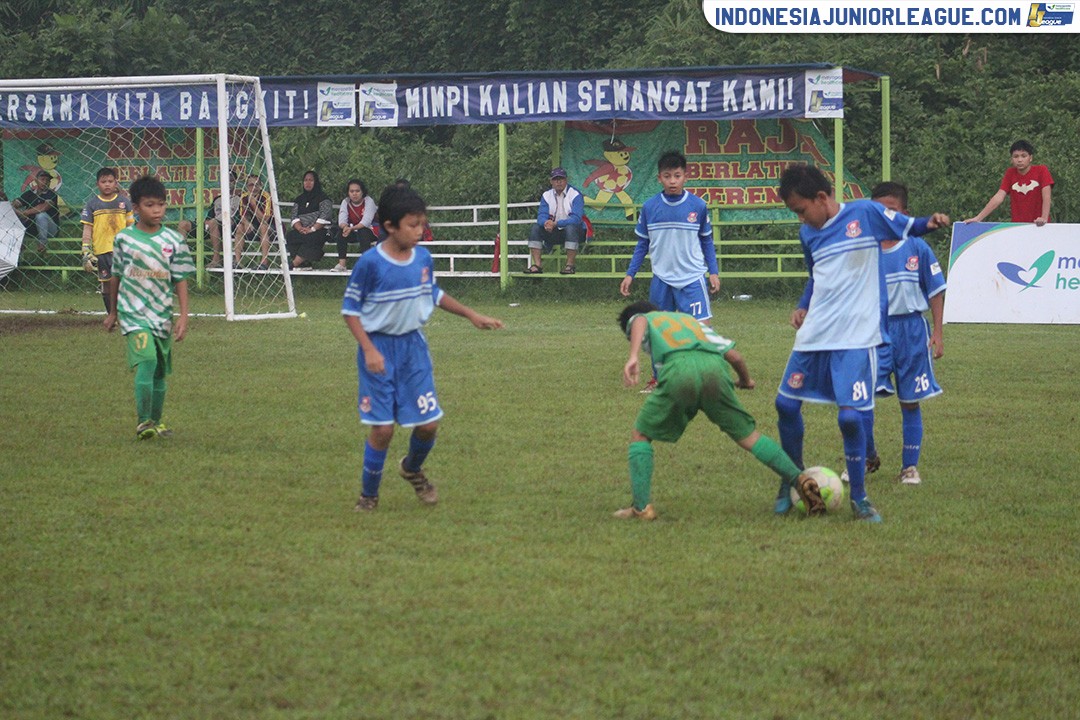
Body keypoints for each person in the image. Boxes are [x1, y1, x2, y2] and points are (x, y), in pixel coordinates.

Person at [775, 165, 950, 523]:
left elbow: (908, 225)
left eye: (801, 209)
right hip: (815, 335)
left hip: (856, 336)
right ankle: (790, 483)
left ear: (821, 198)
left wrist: (929, 223)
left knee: (851, 417)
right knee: (785, 405)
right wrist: (803, 305)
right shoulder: (808, 234)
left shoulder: (864, 213)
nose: (800, 218)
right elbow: (816, 275)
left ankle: (860, 498)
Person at [342, 185, 503, 511]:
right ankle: (368, 495)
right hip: (379, 349)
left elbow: (433, 294)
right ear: (390, 226)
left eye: (422, 224)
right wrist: (369, 349)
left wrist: (471, 314)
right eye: (413, 225)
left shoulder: (423, 258)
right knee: (383, 430)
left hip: (414, 348)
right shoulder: (370, 264)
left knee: (428, 424)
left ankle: (411, 468)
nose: (420, 231)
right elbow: (350, 310)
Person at [614, 300, 824, 520]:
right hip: (715, 368)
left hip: (679, 369)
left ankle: (641, 508)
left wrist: (633, 355)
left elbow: (639, 320)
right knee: (749, 437)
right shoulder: (689, 321)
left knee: (641, 434)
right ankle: (799, 479)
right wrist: (746, 380)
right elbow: (734, 356)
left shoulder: (646, 319)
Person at [865, 182, 946, 485]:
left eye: (892, 211)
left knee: (910, 400)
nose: (885, 217)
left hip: (912, 330)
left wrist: (937, 332)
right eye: (879, 211)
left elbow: (936, 290)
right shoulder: (864, 248)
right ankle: (867, 457)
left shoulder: (917, 247)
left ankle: (909, 467)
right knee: (861, 399)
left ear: (905, 215)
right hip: (873, 331)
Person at [620, 150, 720, 393]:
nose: (673, 181)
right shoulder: (650, 207)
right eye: (667, 176)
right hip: (662, 279)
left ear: (686, 176)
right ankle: (659, 379)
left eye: (677, 175)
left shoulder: (698, 206)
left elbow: (706, 241)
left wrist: (713, 272)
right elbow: (642, 244)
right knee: (658, 332)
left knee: (700, 331)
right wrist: (630, 273)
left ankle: (702, 377)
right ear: (659, 179)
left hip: (693, 278)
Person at [103, 175, 195, 440]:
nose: (157, 210)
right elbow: (115, 276)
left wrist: (183, 317)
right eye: (150, 205)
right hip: (133, 314)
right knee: (147, 360)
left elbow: (180, 280)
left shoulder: (174, 241)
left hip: (161, 315)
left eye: (161, 205)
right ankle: (144, 422)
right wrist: (113, 312)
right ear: (136, 208)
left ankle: (156, 420)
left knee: (159, 371)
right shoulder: (124, 239)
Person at [80, 167, 133, 313]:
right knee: (107, 284)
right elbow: (87, 229)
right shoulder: (92, 205)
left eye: (110, 181)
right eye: (103, 182)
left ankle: (126, 313)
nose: (107, 184)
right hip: (102, 251)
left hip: (122, 250)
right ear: (97, 184)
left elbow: (131, 227)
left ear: (116, 183)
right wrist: (85, 249)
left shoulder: (124, 202)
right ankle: (112, 315)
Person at [965, 140, 1053, 226]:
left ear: (1030, 158)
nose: (1019, 160)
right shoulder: (1010, 173)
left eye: (1023, 156)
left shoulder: (1041, 170)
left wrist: (1043, 218)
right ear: (1011, 159)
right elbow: (999, 197)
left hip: (1040, 226)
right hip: (1017, 226)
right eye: (1016, 156)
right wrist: (978, 218)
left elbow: (1046, 196)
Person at [524, 167, 586, 275]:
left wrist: (556, 223)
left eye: (561, 179)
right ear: (551, 181)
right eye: (556, 179)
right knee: (535, 228)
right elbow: (541, 216)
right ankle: (537, 265)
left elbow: (576, 219)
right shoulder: (546, 195)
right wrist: (545, 223)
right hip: (554, 231)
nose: (558, 182)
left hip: (576, 232)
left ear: (566, 180)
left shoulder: (575, 194)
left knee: (571, 227)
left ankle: (570, 266)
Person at [285, 170, 334, 271]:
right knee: (291, 236)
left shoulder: (324, 198)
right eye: (305, 180)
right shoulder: (299, 199)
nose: (307, 183)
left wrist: (312, 229)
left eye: (311, 180)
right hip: (303, 230)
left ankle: (293, 264)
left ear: (316, 182)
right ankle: (305, 264)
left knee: (313, 238)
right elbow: (294, 217)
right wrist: (300, 228)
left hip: (319, 230)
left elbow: (325, 216)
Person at [333, 178, 378, 272]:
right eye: (352, 191)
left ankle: (366, 264)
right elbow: (342, 219)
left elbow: (366, 221)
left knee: (363, 231)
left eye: (357, 191)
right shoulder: (345, 202)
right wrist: (345, 227)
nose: (354, 194)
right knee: (341, 232)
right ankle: (342, 264)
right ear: (348, 192)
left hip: (370, 230)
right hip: (352, 231)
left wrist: (351, 228)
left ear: (362, 192)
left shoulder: (369, 201)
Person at [12, 169, 60, 253]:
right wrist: (16, 209)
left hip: (50, 230)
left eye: (47, 180)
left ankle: (42, 243)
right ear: (36, 181)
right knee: (11, 212)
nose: (45, 182)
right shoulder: (29, 194)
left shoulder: (51, 194)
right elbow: (15, 204)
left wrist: (25, 213)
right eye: (42, 179)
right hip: (32, 228)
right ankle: (19, 243)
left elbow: (43, 207)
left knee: (41, 215)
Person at [235, 174, 274, 270]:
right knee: (240, 227)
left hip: (270, 229)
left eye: (257, 185)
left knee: (263, 226)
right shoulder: (244, 197)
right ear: (247, 186)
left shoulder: (266, 196)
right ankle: (237, 262)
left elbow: (265, 220)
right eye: (251, 185)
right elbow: (241, 215)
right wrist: (246, 223)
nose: (254, 187)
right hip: (253, 228)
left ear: (261, 185)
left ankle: (264, 262)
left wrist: (254, 204)